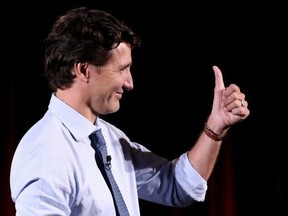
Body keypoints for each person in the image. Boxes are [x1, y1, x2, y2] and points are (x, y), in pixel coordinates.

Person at [10, 6, 250, 216]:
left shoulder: (109, 139)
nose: (129, 83)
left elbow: (178, 186)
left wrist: (215, 127)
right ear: (83, 70)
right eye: (121, 69)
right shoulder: (45, 153)